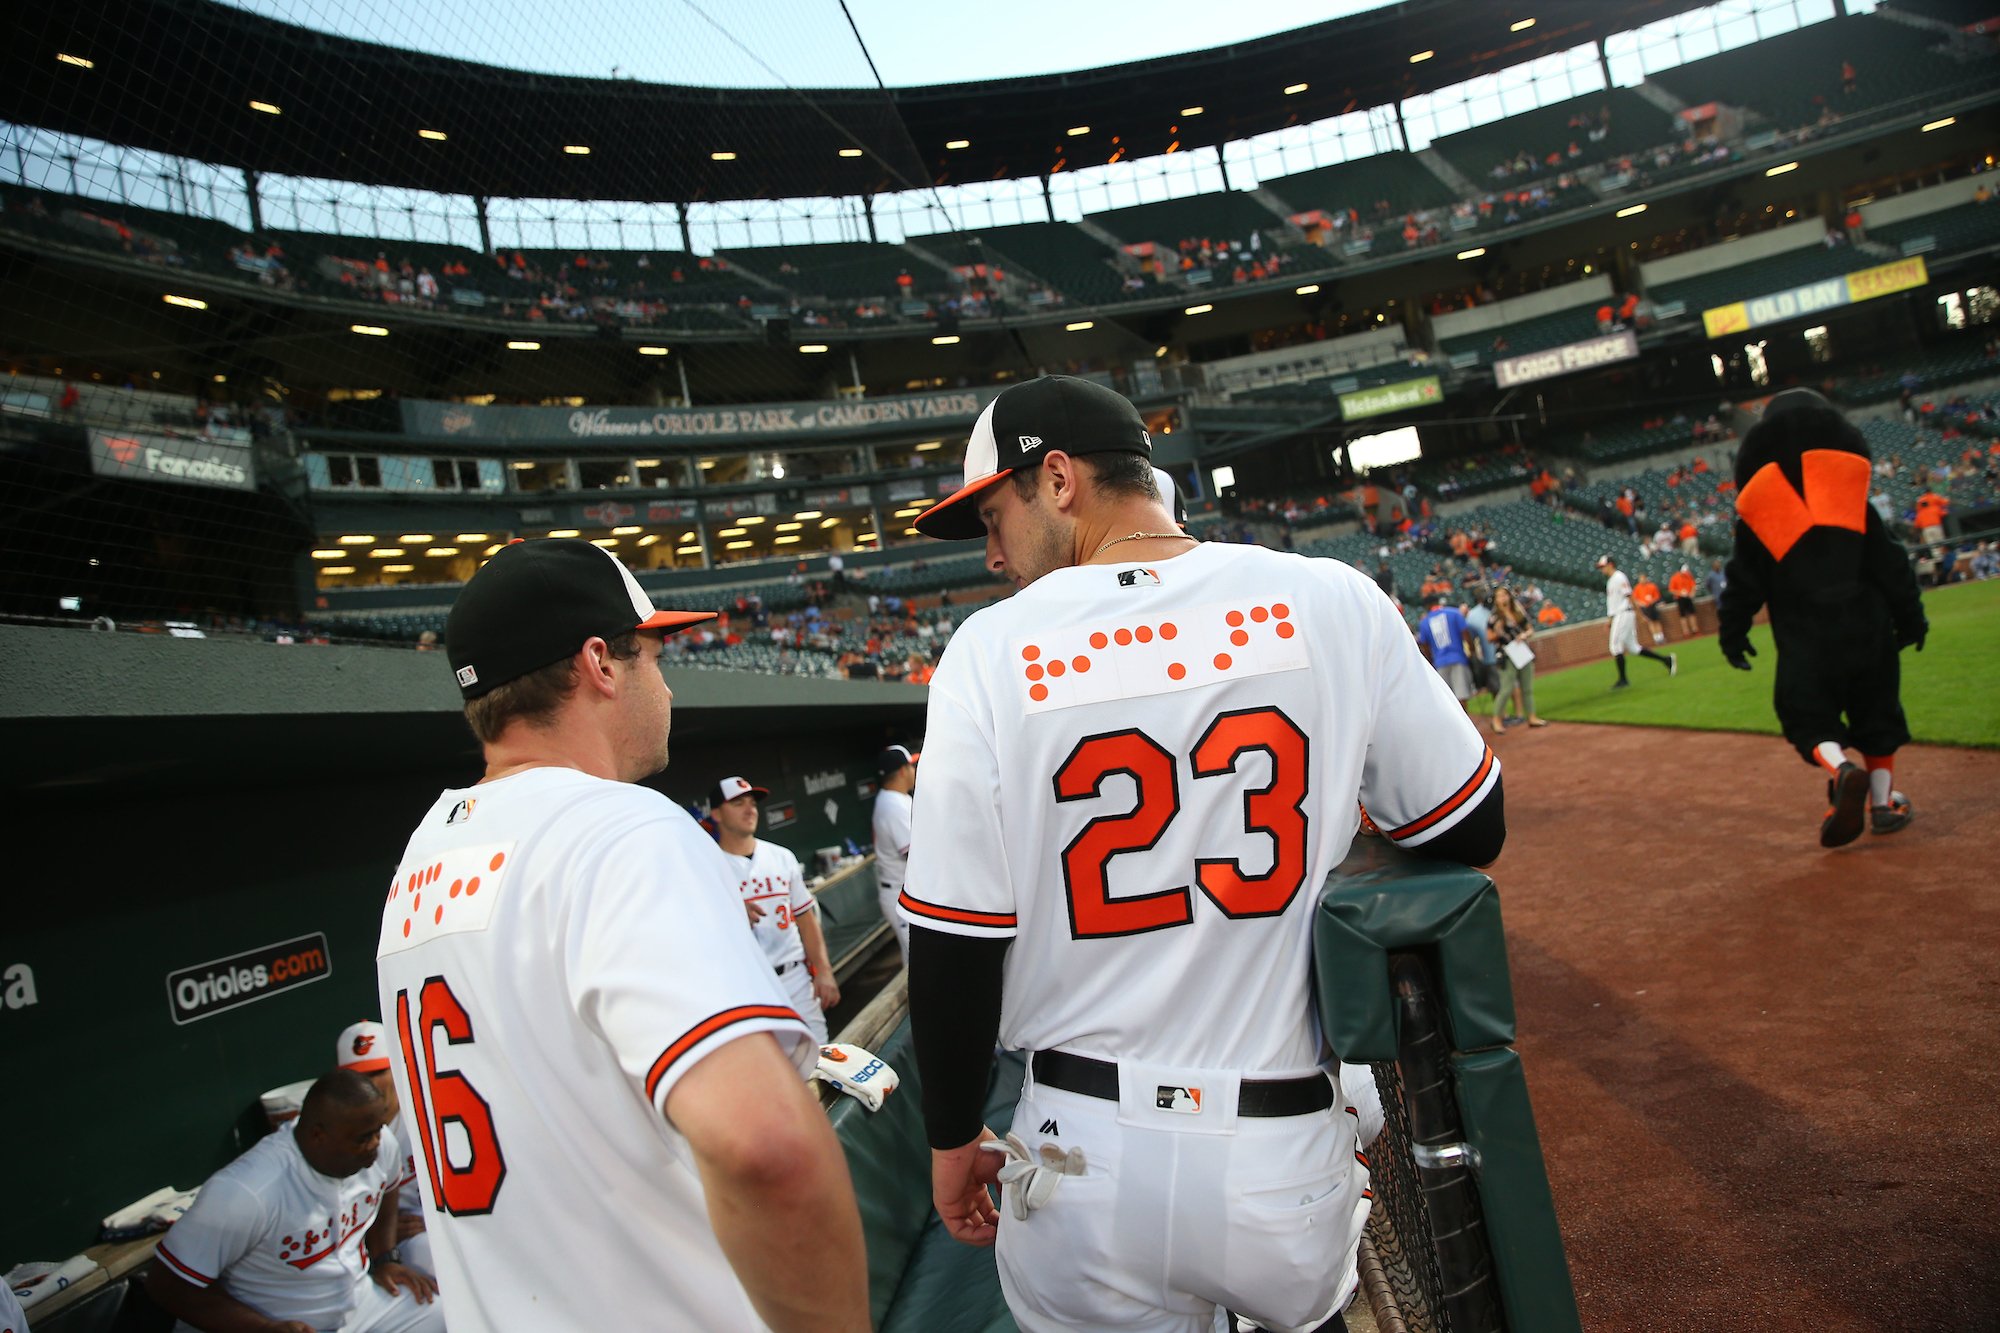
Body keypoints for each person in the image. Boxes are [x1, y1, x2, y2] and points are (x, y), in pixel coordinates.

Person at [899, 376, 1506, 1333]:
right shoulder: (1328, 596)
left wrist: (947, 1140)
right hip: (1284, 1151)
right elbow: (1470, 829)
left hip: (1078, 1157)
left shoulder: (988, 650)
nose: (990, 550)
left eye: (993, 514)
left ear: (1057, 479)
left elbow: (953, 942)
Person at [374, 538, 867, 1333]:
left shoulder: (419, 859)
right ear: (601, 661)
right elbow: (765, 1147)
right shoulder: (619, 827)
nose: (666, 683)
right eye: (655, 655)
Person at [1718, 390, 1925, 847]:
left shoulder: (1761, 512)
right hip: (1867, 626)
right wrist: (1912, 619)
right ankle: (1884, 805)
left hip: (1805, 636)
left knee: (1807, 717)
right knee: (1877, 714)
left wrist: (1733, 634)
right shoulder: (1851, 498)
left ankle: (1840, 767)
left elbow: (1741, 583)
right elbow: (1892, 565)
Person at [145, 1070, 441, 1333]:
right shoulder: (247, 1192)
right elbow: (165, 1283)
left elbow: (388, 1186)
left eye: (378, 1131)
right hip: (277, 1321)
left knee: (448, 1318)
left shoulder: (379, 1146)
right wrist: (263, 1328)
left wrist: (385, 1258)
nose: (376, 1142)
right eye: (364, 1137)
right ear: (317, 1135)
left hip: (361, 1304)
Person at [712, 774, 841, 1045]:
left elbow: (805, 918)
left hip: (795, 978)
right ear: (716, 814)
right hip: (746, 987)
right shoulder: (708, 866)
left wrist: (824, 971)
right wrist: (727, 910)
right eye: (738, 803)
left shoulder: (781, 857)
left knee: (820, 1059)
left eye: (753, 803)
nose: (750, 809)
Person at [335, 1021, 429, 1277]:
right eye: (360, 1076)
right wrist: (380, 1233)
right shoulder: (338, 1139)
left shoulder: (429, 1109)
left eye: (378, 1072)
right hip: (397, 1239)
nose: (370, 1085)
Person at [1595, 554, 1675, 688]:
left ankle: (1623, 679)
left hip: (1624, 613)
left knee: (1615, 646)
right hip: (1620, 614)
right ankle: (1666, 660)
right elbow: (1613, 603)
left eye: (1603, 566)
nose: (1601, 570)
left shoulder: (1619, 577)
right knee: (1633, 648)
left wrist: (1640, 615)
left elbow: (1630, 596)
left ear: (1610, 565)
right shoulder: (1611, 580)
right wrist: (1610, 619)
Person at [871, 744, 918, 968]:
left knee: (918, 961)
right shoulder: (894, 805)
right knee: (921, 962)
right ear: (901, 771)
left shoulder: (894, 799)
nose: (914, 770)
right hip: (901, 893)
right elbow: (916, 855)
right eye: (911, 766)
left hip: (901, 890)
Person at [1487, 586, 1547, 734]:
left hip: (1521, 650)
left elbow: (1530, 629)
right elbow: (1489, 638)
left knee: (1527, 687)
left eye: (1504, 595)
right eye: (1499, 596)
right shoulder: (1494, 618)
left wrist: (1524, 635)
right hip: (1506, 654)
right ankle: (1496, 720)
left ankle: (1532, 716)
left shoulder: (1517, 613)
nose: (1502, 599)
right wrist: (1497, 632)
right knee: (1506, 689)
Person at [1417, 593, 1482, 715]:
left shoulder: (1424, 622)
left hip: (1440, 662)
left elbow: (1425, 647)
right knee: (1461, 696)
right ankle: (1465, 727)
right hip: (1458, 658)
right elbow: (1466, 634)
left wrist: (1432, 662)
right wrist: (1472, 651)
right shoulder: (1454, 613)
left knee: (1447, 700)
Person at [1631, 572, 1668, 644]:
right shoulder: (1637, 588)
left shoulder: (1652, 586)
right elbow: (1635, 599)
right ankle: (1656, 637)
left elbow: (1657, 596)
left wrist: (1652, 601)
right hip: (1644, 607)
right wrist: (1642, 603)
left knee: (1656, 621)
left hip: (1652, 605)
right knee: (1650, 622)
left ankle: (1661, 636)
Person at [1668, 564, 1700, 637]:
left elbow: (1693, 585)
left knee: (1692, 613)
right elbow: (1671, 589)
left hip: (1688, 597)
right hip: (1680, 598)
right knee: (1683, 615)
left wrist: (1692, 593)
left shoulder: (1688, 576)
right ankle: (1686, 631)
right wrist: (1680, 593)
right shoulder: (1675, 578)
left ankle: (1695, 629)